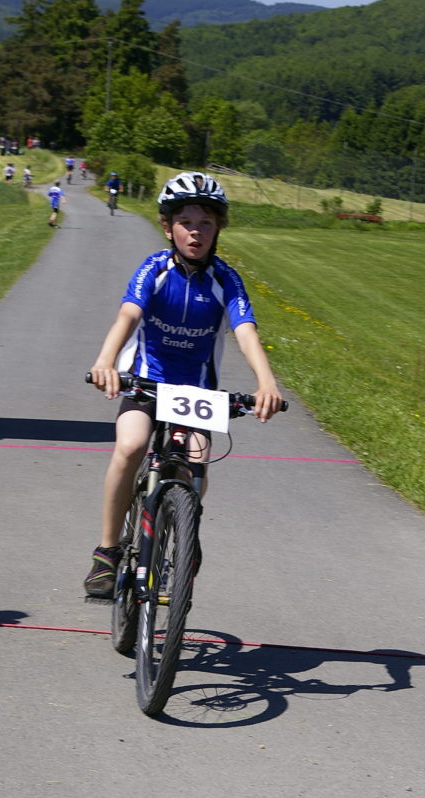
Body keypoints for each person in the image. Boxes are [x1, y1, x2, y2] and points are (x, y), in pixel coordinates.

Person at [83, 171, 284, 597]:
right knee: (131, 446)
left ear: (218, 229)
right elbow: (129, 315)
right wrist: (105, 362)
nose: (196, 232)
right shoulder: (154, 269)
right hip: (146, 380)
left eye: (206, 223)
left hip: (196, 390)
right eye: (186, 222)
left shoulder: (226, 279)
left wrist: (266, 382)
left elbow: (245, 330)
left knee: (197, 460)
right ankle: (107, 551)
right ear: (168, 227)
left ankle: (185, 529)